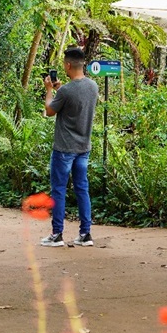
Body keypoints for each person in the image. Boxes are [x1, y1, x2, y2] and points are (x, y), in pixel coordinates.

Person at [40, 46, 98, 247]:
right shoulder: (93, 87)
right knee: (82, 189)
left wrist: (49, 90)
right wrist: (59, 90)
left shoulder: (65, 91)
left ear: (67, 65)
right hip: (84, 147)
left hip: (64, 149)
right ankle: (85, 234)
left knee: (58, 190)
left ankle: (57, 234)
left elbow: (49, 111)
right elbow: (75, 98)